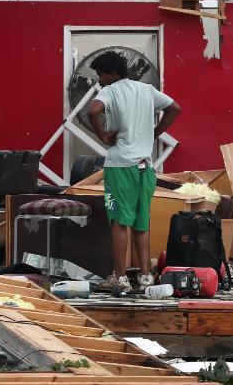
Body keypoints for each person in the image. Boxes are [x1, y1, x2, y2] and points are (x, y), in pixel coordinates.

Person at [87, 51, 181, 293]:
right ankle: (145, 277)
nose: (99, 80)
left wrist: (102, 135)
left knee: (119, 222)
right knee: (142, 222)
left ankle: (120, 279)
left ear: (114, 73)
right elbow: (175, 108)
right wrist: (155, 132)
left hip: (120, 167)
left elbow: (93, 111)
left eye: (101, 74)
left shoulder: (110, 91)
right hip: (145, 167)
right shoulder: (147, 90)